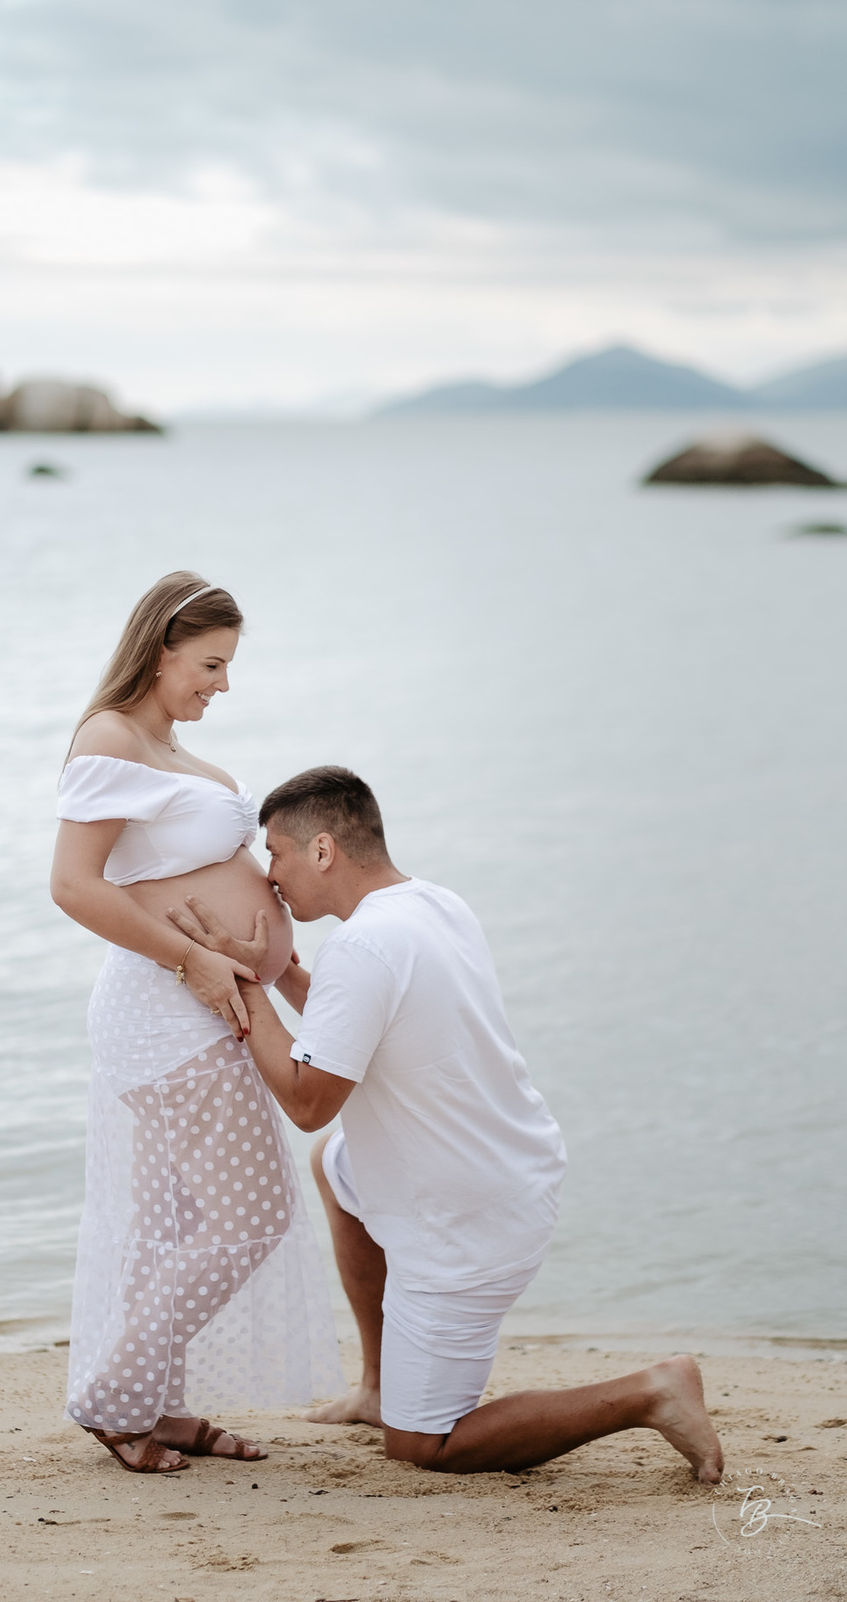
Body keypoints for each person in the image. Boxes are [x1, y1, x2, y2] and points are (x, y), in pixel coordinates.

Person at [166, 765, 724, 1483]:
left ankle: (651, 1392)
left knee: (424, 1446)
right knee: (335, 1164)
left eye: (275, 853)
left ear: (323, 850)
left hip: (463, 1224)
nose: (270, 876)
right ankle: (378, 1387)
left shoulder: (362, 947)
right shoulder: (431, 905)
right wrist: (274, 974)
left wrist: (241, 988)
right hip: (509, 1170)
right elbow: (362, 1016)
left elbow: (307, 1102)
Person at [49, 575, 340, 1476]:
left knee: (174, 1225)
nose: (223, 683)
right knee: (252, 1215)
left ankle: (161, 1409)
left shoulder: (168, 750)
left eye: (228, 666)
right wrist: (192, 961)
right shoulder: (111, 738)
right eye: (210, 664)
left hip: (201, 1010)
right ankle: (115, 1397)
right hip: (169, 1014)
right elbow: (74, 885)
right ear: (161, 649)